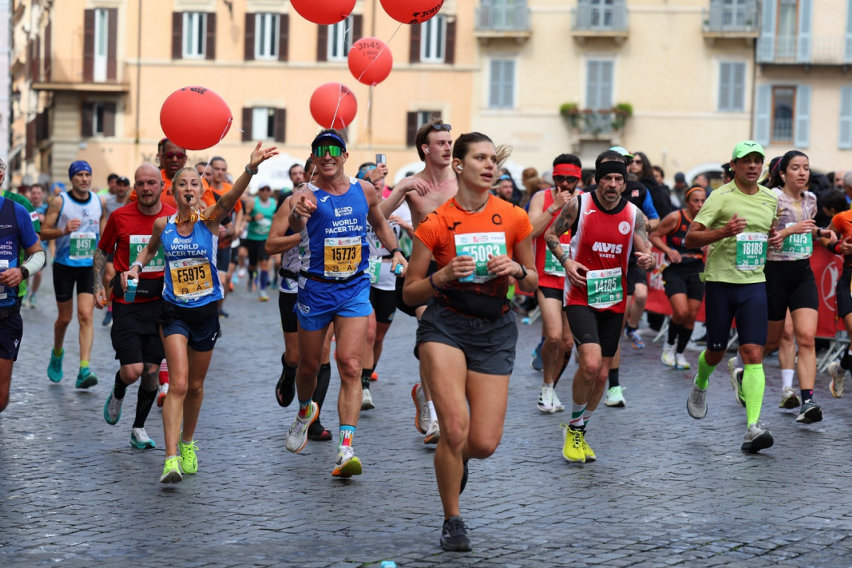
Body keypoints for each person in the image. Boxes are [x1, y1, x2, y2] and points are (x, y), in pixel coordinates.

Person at [403, 132, 536, 552]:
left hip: (495, 328)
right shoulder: (436, 221)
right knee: (454, 428)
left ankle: (456, 460)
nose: (489, 165)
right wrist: (441, 277)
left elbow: (533, 280)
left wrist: (515, 268)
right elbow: (409, 293)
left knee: (482, 443)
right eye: (479, 158)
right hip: (446, 324)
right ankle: (452, 519)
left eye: (492, 159)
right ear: (458, 164)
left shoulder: (514, 217)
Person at [122, 142, 278, 483]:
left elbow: (231, 197)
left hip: (206, 311)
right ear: (173, 190)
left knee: (195, 386)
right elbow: (149, 252)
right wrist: (135, 267)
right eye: (183, 184)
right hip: (173, 310)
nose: (189, 188)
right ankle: (171, 459)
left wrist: (250, 169)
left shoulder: (210, 220)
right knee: (177, 384)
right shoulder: (163, 225)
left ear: (201, 190)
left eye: (195, 184)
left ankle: (188, 441)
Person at [284, 130, 405, 478]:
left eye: (333, 150)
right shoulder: (305, 195)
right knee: (308, 367)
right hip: (315, 290)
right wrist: (298, 214)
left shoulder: (363, 190)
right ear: (314, 157)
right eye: (320, 151)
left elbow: (380, 223)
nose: (327, 156)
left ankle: (346, 448)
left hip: (353, 288)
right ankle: (305, 409)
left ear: (344, 155)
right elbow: (294, 224)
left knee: (350, 365)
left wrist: (395, 250)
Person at [544, 152, 654, 464]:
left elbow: (645, 250)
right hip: (580, 295)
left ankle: (578, 429)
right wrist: (566, 261)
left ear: (625, 182)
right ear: (598, 180)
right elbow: (551, 234)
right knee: (590, 365)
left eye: (619, 179)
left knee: (603, 375)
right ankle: (574, 430)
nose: (613, 184)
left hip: (614, 299)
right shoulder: (579, 204)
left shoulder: (634, 215)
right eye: (607, 178)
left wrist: (647, 259)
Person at [685, 140, 778, 453]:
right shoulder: (720, 197)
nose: (752, 166)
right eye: (746, 160)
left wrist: (774, 238)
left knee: (754, 353)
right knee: (716, 350)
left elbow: (769, 230)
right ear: (734, 166)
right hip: (721, 283)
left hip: (754, 283)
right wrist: (723, 232)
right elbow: (690, 238)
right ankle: (701, 383)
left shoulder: (769, 199)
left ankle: (753, 426)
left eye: (757, 160)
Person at [382, 119, 457, 444]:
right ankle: (434, 414)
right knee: (431, 336)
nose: (448, 147)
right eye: (441, 142)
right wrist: (400, 189)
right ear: (425, 148)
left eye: (449, 142)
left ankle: (425, 393)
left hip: (459, 270)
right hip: (424, 271)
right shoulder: (412, 184)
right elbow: (378, 216)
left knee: (448, 347)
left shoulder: (461, 179)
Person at [95, 163, 176, 449]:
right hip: (127, 302)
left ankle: (138, 428)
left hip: (162, 303)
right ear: (134, 188)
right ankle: (118, 391)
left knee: (152, 371)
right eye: (140, 184)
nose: (145, 189)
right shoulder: (119, 217)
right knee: (133, 371)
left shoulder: (173, 217)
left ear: (161, 187)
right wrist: (97, 285)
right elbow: (102, 251)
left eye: (151, 183)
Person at [758, 150, 831, 423]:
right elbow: (764, 237)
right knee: (773, 340)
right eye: (796, 168)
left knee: (806, 337)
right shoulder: (771, 199)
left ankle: (808, 401)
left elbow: (810, 229)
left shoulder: (811, 199)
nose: (802, 173)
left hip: (802, 273)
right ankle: (742, 368)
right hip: (775, 272)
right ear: (782, 173)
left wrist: (823, 233)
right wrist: (790, 230)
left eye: (806, 168)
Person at [267, 187, 333, 442]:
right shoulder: (290, 204)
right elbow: (271, 244)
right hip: (293, 285)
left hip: (327, 287)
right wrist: (305, 235)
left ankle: (312, 420)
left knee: (323, 352)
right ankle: (289, 369)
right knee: (296, 355)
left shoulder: (342, 203)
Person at [41, 160, 108, 388]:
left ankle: (84, 368)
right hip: (64, 266)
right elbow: (43, 233)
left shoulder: (100, 201)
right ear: (72, 178)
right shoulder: (60, 202)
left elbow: (104, 233)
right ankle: (57, 353)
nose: (84, 179)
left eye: (87, 174)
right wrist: (63, 230)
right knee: (65, 318)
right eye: (79, 175)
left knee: (86, 315)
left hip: (88, 267)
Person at [526, 154, 581, 413]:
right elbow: (529, 233)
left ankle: (551, 388)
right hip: (547, 276)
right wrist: (554, 207)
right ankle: (546, 386)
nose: (566, 184)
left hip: (574, 278)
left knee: (569, 343)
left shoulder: (585, 201)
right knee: (554, 335)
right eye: (561, 178)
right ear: (553, 177)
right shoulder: (541, 198)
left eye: (572, 179)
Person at [649, 186, 707, 369]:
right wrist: (668, 250)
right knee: (680, 312)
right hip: (675, 269)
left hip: (697, 269)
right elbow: (654, 235)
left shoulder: (707, 220)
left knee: (691, 316)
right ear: (687, 202)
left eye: (703, 200)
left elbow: (714, 240)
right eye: (695, 201)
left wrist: (709, 245)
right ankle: (668, 346)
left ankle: (680, 353)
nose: (699, 204)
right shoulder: (676, 217)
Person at [0, 186, 46, 411]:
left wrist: (21, 272)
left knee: (1, 397)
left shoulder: (17, 211)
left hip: (6, 310)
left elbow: (38, 253)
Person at [243, 183, 276, 301]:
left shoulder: (274, 203)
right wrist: (253, 218)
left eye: (268, 189)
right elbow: (244, 217)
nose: (266, 191)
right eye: (263, 189)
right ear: (259, 191)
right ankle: (251, 276)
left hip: (265, 239)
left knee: (264, 263)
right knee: (252, 264)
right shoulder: (253, 202)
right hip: (252, 238)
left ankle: (262, 291)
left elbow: (277, 217)